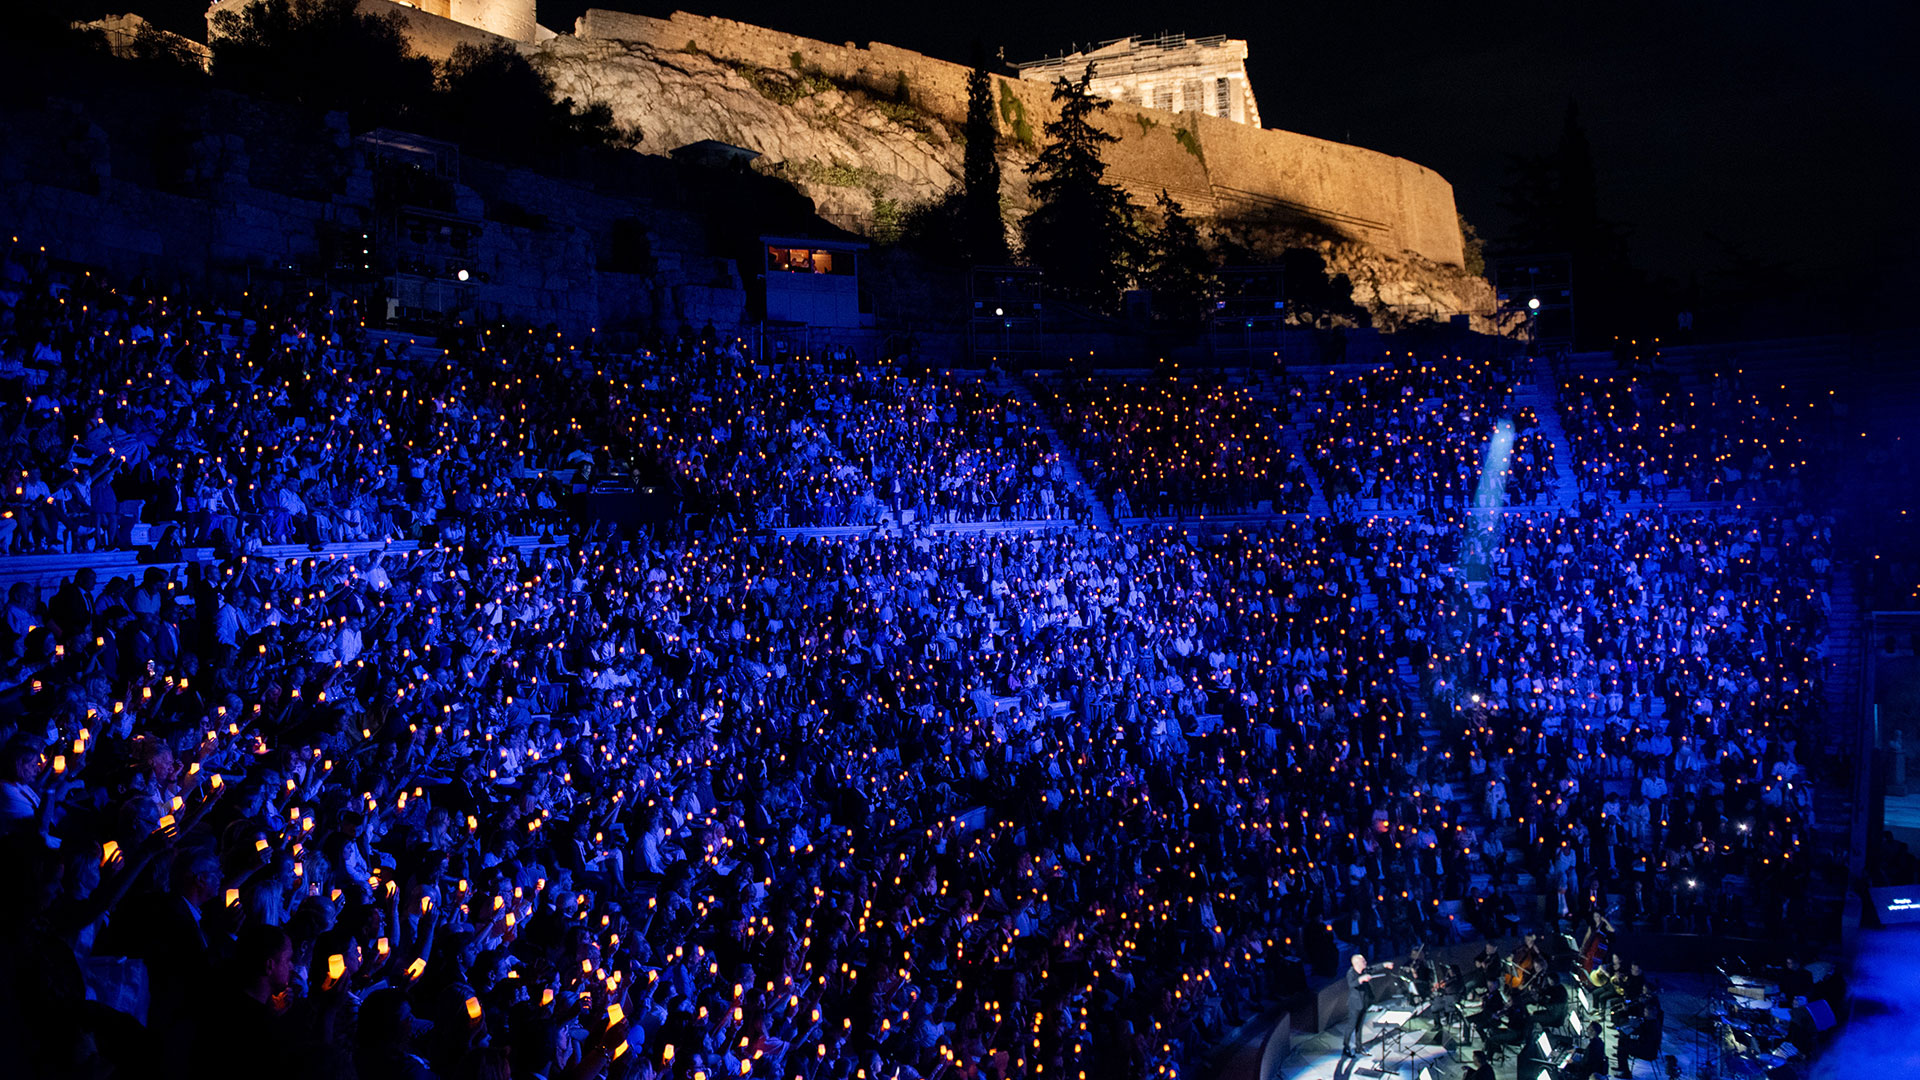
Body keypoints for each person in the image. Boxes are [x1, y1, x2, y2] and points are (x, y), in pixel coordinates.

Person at [1341, 953, 1395, 1057]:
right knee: (1351, 1026)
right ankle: (1346, 1047)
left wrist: (1385, 965)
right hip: (1355, 1005)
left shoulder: (1364, 970)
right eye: (1363, 961)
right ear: (1357, 963)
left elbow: (1373, 968)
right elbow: (1351, 984)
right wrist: (1361, 979)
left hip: (1364, 1002)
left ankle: (1359, 1047)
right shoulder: (1351, 973)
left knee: (1359, 1027)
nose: (1365, 962)